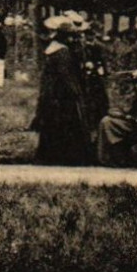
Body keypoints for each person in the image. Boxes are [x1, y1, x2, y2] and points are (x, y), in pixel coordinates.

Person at [32, 20, 94, 165]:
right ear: (65, 37)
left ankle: (50, 156)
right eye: (71, 36)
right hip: (61, 95)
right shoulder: (62, 52)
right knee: (66, 124)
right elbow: (67, 76)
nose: (74, 39)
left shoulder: (53, 50)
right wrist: (77, 92)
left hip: (52, 94)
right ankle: (67, 157)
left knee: (53, 125)